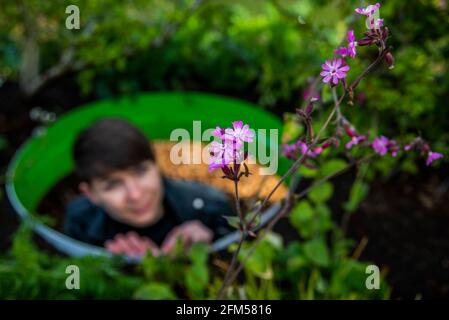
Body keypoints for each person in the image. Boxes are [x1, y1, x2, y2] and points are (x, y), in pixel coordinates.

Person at [64, 118, 234, 257]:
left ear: (156, 164)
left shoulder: (210, 207)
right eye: (113, 185)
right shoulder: (80, 222)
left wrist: (212, 250)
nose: (135, 194)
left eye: (140, 171)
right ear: (90, 194)